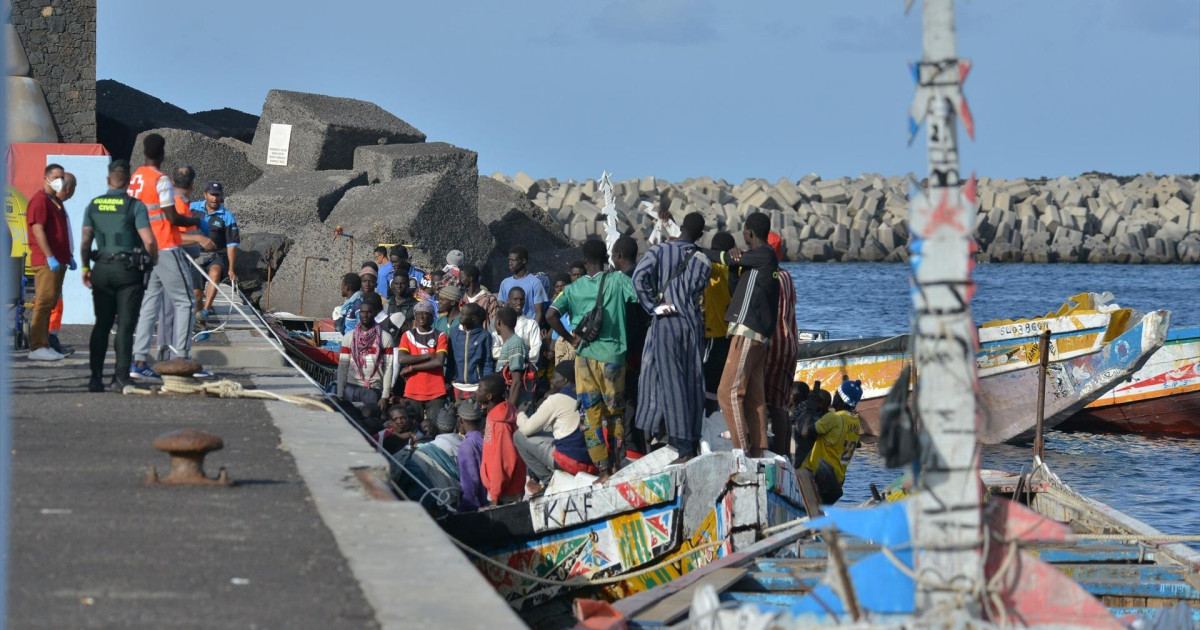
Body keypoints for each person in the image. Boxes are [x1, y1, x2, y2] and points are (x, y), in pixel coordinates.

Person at [546, 239, 638, 480]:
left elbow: (550, 315)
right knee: (615, 412)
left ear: (585, 261)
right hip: (612, 358)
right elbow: (639, 299)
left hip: (584, 358)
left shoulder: (573, 289)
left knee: (591, 414)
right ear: (607, 257)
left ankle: (603, 469)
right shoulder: (618, 280)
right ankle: (617, 464)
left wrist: (571, 339)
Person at [632, 213, 712, 463]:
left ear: (681, 228)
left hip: (667, 322)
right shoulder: (703, 260)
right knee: (692, 382)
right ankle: (691, 437)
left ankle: (681, 446)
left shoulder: (659, 251)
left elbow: (638, 278)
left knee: (669, 381)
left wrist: (653, 306)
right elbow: (697, 290)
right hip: (692, 325)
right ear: (700, 234)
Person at [79, 160, 157, 391]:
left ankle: (95, 378)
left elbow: (85, 241)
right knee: (125, 325)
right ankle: (121, 376)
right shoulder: (135, 205)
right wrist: (154, 259)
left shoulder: (94, 205)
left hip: (101, 269)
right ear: (129, 181)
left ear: (107, 180)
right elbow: (149, 240)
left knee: (101, 324)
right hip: (128, 272)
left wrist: (85, 269)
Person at [129, 133, 201, 379]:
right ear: (162, 154)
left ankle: (139, 361)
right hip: (165, 246)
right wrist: (194, 221)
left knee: (150, 303)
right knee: (186, 301)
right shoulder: (161, 180)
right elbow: (171, 217)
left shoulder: (135, 177)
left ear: (144, 153)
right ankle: (181, 355)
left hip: (144, 247)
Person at [714, 211, 779, 458]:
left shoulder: (762, 255)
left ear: (749, 232)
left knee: (727, 393)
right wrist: (733, 261)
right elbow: (735, 284)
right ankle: (760, 450)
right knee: (753, 395)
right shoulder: (758, 261)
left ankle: (742, 451)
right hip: (757, 335)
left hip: (747, 332)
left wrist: (696, 250)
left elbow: (724, 259)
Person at [515, 360, 595, 494]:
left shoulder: (556, 399)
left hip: (570, 461)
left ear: (564, 380)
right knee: (548, 428)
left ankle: (548, 480)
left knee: (518, 435)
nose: (550, 380)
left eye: (554, 377)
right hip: (590, 461)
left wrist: (520, 413)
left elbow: (527, 428)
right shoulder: (586, 395)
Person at [25, 164, 75, 361]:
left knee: (50, 302)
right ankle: (37, 346)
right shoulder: (39, 201)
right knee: (44, 302)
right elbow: (38, 230)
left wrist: (67, 256)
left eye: (62, 176)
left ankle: (44, 343)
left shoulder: (54, 201)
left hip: (58, 260)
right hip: (46, 261)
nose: (60, 180)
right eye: (56, 176)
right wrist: (50, 256)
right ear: (46, 177)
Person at [612, 235, 650, 455]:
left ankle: (633, 451)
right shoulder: (644, 277)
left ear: (618, 256)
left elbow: (626, 320)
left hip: (630, 352)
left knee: (629, 404)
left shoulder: (623, 281)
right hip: (646, 348)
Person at [335, 293, 395, 423]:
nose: (365, 315)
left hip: (373, 390)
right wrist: (340, 393)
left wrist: (385, 396)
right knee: (348, 423)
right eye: (362, 312)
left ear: (374, 314)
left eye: (369, 312)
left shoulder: (385, 338)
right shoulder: (349, 337)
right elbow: (343, 367)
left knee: (369, 423)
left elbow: (388, 368)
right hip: (351, 388)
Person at [764, 242, 799, 456]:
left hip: (776, 342)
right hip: (790, 342)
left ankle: (779, 454)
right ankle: (784, 454)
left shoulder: (772, 276)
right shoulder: (786, 276)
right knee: (782, 405)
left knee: (774, 405)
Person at [802, 379, 863, 504]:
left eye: (836, 394)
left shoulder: (833, 418)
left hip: (821, 478)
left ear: (840, 399)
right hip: (838, 482)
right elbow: (857, 443)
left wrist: (810, 409)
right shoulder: (855, 422)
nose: (833, 397)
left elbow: (805, 432)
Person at [393, 300, 449, 423]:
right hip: (413, 390)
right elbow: (402, 359)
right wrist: (429, 355)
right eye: (418, 314)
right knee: (413, 426)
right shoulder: (407, 335)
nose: (421, 317)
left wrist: (412, 368)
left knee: (434, 427)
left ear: (431, 316)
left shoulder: (440, 335)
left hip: (435, 390)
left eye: (425, 313)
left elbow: (439, 362)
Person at [476, 374, 526, 506]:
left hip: (505, 492)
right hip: (500, 489)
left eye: (480, 389)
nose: (476, 392)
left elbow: (504, 460)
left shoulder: (501, 424)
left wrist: (495, 495)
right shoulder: (494, 415)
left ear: (489, 396)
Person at [191, 182, 239, 320]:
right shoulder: (192, 208)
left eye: (217, 195)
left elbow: (232, 244)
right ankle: (199, 314)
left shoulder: (227, 216)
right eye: (212, 194)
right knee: (197, 295)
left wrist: (231, 269)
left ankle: (205, 311)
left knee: (216, 271)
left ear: (221, 196)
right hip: (194, 255)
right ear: (205, 194)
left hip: (215, 255)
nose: (214, 198)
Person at [702, 231, 736, 399]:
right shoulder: (736, 269)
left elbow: (700, 255)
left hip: (714, 333)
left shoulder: (715, 268)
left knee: (709, 385)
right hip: (730, 335)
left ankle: (708, 418)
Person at [447, 303, 494, 401]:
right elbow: (450, 359)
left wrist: (486, 386)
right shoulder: (454, 332)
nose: (460, 316)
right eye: (461, 313)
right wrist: (447, 380)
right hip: (456, 385)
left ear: (473, 318)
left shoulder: (484, 335)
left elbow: (487, 362)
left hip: (476, 387)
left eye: (464, 314)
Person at [498, 245, 548, 325]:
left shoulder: (535, 282)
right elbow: (502, 308)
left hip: (527, 328)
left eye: (513, 260)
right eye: (509, 260)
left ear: (523, 261)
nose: (510, 263)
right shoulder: (505, 283)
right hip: (510, 328)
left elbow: (538, 312)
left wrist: (533, 330)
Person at [494, 286, 540, 367]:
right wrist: (520, 351)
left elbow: (535, 352)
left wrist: (517, 358)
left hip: (525, 369)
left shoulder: (531, 324)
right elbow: (494, 351)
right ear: (508, 300)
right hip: (502, 368)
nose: (519, 302)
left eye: (522, 299)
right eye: (515, 299)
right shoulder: (499, 322)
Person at [456, 400, 488, 511]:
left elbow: (470, 482)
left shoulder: (466, 446)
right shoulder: (487, 439)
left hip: (483, 506)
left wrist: (464, 507)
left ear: (461, 420)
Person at [494, 306, 530, 405]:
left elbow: (516, 381)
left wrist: (510, 411)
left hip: (517, 407)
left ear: (498, 322)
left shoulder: (515, 343)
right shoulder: (510, 342)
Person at [460, 263, 497, 329]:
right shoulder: (463, 298)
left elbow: (494, 323)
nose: (460, 281)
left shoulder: (489, 299)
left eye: (462, 277)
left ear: (470, 278)